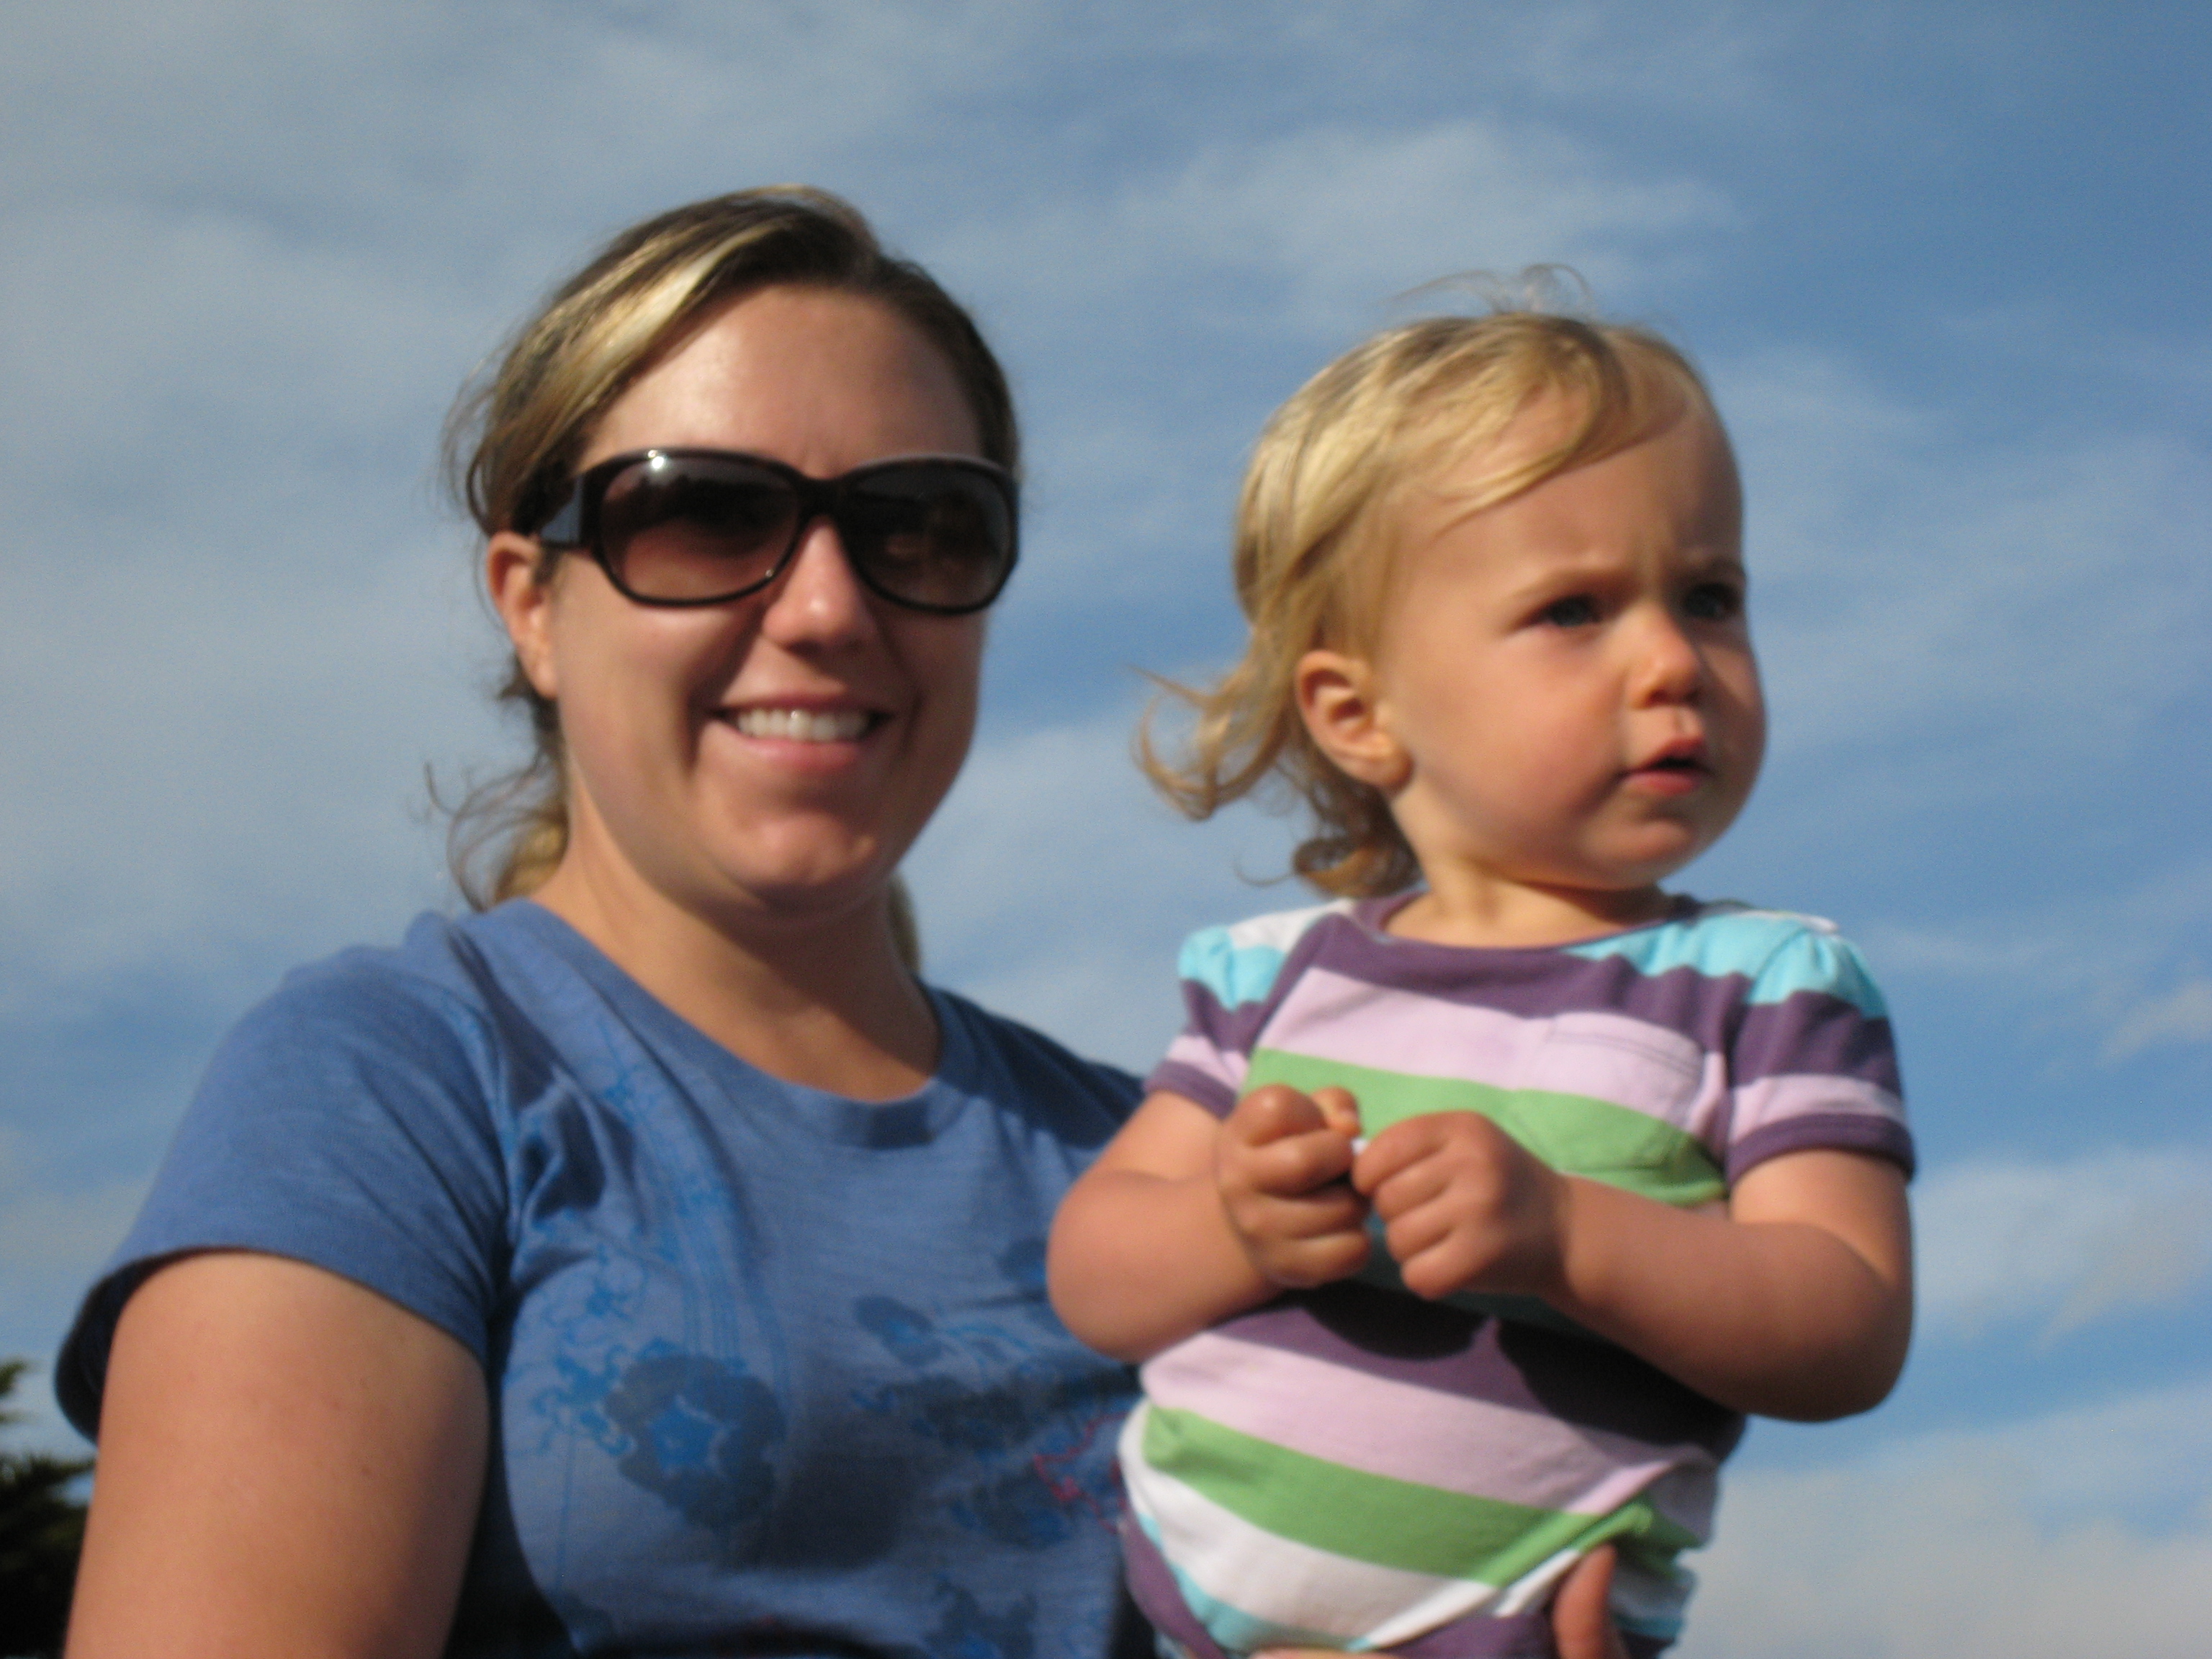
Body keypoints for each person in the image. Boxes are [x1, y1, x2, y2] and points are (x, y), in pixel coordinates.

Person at [49, 192, 1633, 1659]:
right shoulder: (391, 1086)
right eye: (702, 516)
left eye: (923, 526)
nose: (825, 607)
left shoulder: (1174, 1167)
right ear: (533, 605)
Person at [1048, 309, 1915, 1656]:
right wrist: (1233, 1225)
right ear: (1361, 715)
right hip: (1183, 1614)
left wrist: (1570, 1236)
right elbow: (1095, 1274)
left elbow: (1845, 1323)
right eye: (1574, 610)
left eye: (1710, 597)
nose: (1673, 661)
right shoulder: (1277, 977)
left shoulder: (1762, 987)